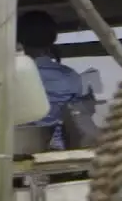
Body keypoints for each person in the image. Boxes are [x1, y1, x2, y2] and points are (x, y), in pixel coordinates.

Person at [18, 10, 86, 150]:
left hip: (14, 146)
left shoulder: (6, 76)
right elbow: (77, 118)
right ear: (53, 38)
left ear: (19, 38)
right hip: (56, 148)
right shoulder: (70, 77)